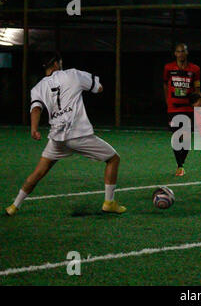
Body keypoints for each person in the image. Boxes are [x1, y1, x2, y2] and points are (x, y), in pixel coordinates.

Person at [5, 52, 125, 216]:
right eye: (60, 62)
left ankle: (14, 206)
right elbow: (99, 88)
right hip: (78, 135)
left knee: (38, 172)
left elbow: (36, 108)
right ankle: (109, 202)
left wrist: (34, 128)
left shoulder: (38, 87)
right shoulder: (73, 74)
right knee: (113, 159)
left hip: (57, 138)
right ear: (55, 64)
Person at [163, 43, 201, 176]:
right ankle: (179, 165)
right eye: (178, 52)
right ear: (175, 53)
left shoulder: (195, 69)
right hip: (173, 108)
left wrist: (197, 104)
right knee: (175, 136)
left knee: (186, 137)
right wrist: (168, 101)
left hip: (188, 108)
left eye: (183, 51)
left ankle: (181, 162)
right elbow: (165, 84)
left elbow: (197, 88)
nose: (181, 54)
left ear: (187, 53)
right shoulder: (168, 68)